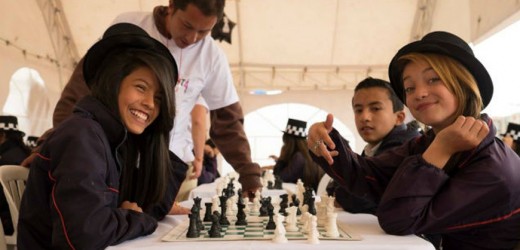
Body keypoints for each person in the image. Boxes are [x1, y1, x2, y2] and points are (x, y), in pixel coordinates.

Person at [27, 0, 262, 198]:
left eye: (203, 32)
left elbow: (228, 122)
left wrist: (248, 172)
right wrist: (57, 143)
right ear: (171, 5)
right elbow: (80, 91)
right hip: (113, 161)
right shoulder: (127, 27)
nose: (192, 38)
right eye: (187, 25)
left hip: (168, 168)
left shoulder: (212, 57)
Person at [307, 31, 520, 249]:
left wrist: (441, 149)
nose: (419, 93)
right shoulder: (426, 142)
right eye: (409, 87)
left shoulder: (493, 169)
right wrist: (324, 139)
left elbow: (398, 219)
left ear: (464, 84)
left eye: (433, 79)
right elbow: (367, 175)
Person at [17, 23, 178, 249]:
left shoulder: (111, 140)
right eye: (141, 87)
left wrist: (130, 215)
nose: (150, 104)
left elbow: (148, 207)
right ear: (113, 82)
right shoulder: (82, 135)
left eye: (159, 98)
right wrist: (133, 218)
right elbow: (84, 235)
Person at [328, 77, 421, 214]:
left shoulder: (403, 148)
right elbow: (338, 185)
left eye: (375, 108)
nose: (364, 117)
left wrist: (342, 192)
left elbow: (357, 198)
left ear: (399, 117)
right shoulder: (375, 147)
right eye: (358, 110)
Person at [270, 118, 324, 192]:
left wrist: (281, 159)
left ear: (288, 140)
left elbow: (278, 178)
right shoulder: (307, 153)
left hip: (302, 198)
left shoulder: (299, 157)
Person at [0, 115, 30, 235]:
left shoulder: (5, 160)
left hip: (9, 224)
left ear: (2, 135)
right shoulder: (24, 154)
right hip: (26, 221)